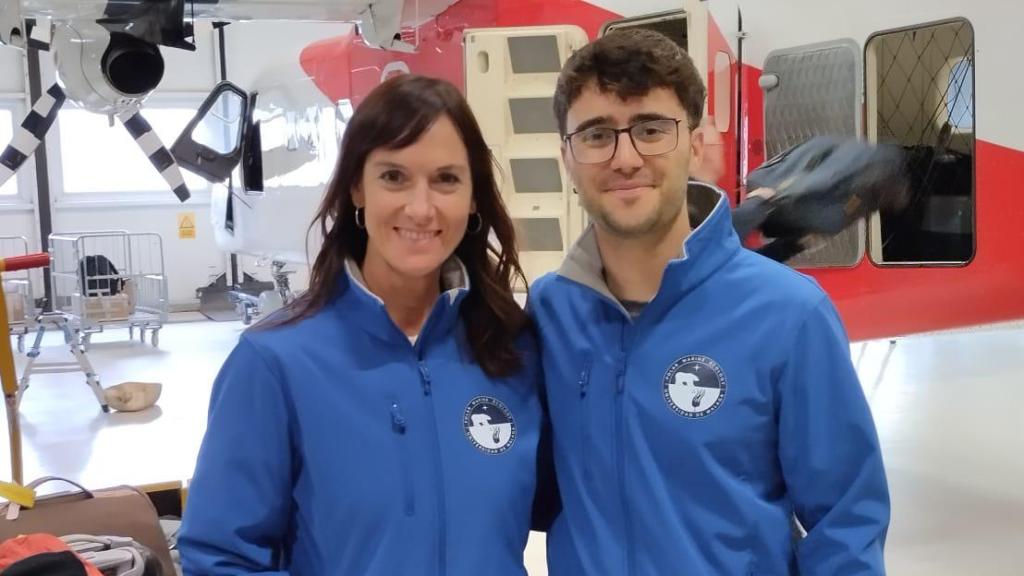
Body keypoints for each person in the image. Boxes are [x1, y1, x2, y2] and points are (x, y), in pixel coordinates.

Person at [529, 28, 891, 575]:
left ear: (695, 146)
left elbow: (846, 521)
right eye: (597, 134)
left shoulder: (789, 314)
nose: (626, 158)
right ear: (567, 157)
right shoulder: (550, 313)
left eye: (652, 129)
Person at [178, 74, 549, 575]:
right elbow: (221, 556)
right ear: (357, 186)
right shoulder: (275, 363)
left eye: (446, 179)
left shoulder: (512, 348)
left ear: (474, 197)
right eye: (394, 177)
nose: (420, 208)